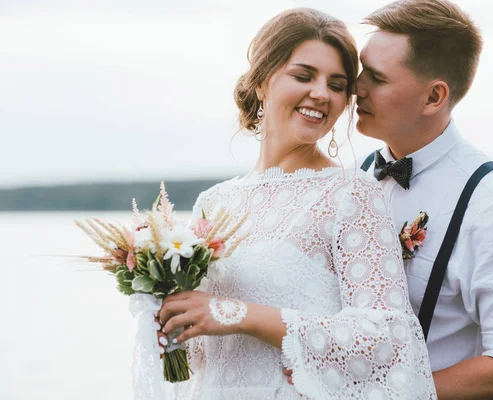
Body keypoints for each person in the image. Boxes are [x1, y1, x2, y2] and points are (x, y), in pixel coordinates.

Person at [156, 8, 437, 400]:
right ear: (260, 83)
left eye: (337, 85)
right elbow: (204, 357)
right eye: (304, 76)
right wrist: (164, 312)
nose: (321, 94)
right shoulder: (213, 203)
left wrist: (237, 314)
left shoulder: (352, 195)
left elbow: (387, 341)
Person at [351, 0, 493, 398]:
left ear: (433, 97)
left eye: (376, 77)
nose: (356, 87)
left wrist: (383, 395)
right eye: (360, 69)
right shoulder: (353, 178)